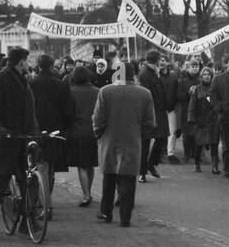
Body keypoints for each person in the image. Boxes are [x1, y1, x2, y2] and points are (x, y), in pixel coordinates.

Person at [0, 47, 39, 241]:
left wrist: (35, 134)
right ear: (21, 62)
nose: (28, 65)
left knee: (28, 181)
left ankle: (27, 219)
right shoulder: (0, 79)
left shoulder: (24, 81)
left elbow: (30, 111)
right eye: (27, 61)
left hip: (24, 138)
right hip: (6, 139)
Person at [92, 73, 156, 228]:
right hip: (132, 140)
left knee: (109, 177)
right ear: (133, 75)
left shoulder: (105, 91)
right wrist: (140, 135)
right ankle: (125, 217)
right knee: (128, 179)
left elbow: (98, 118)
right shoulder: (145, 93)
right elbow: (150, 121)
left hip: (109, 139)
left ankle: (106, 212)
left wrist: (99, 133)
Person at [31, 54, 76, 216]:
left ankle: (38, 200)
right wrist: (65, 129)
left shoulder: (31, 83)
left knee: (36, 164)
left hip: (35, 129)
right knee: (49, 167)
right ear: (52, 66)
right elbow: (68, 110)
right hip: (55, 130)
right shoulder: (61, 85)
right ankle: (46, 200)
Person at [67, 64, 100, 206]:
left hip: (77, 131)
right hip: (94, 132)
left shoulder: (71, 92)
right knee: (91, 164)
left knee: (82, 165)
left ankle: (86, 194)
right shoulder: (98, 91)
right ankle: (89, 191)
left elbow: (68, 113)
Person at [136, 50, 169, 182]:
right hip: (149, 112)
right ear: (155, 60)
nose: (161, 62)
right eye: (160, 59)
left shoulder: (155, 72)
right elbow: (145, 94)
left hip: (159, 111)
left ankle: (151, 164)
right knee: (145, 143)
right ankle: (142, 172)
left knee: (161, 139)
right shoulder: (144, 73)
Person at [187, 66, 219, 172]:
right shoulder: (197, 89)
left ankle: (215, 166)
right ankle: (197, 164)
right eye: (204, 74)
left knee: (214, 143)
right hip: (200, 120)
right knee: (199, 144)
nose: (207, 76)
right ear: (201, 76)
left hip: (213, 120)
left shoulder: (215, 88)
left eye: (208, 74)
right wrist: (191, 119)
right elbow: (192, 105)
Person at [174, 59, 200, 164]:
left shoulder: (200, 81)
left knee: (196, 133)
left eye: (196, 66)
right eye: (192, 66)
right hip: (186, 109)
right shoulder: (183, 82)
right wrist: (188, 93)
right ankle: (186, 154)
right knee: (186, 134)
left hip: (198, 109)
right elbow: (179, 96)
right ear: (188, 68)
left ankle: (196, 154)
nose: (195, 68)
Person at [160, 60, 180, 162]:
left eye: (164, 60)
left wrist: (175, 102)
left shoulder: (173, 76)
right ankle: (158, 153)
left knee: (172, 131)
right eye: (160, 60)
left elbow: (177, 90)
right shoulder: (155, 76)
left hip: (171, 108)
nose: (162, 62)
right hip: (159, 109)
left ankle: (170, 153)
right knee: (159, 132)